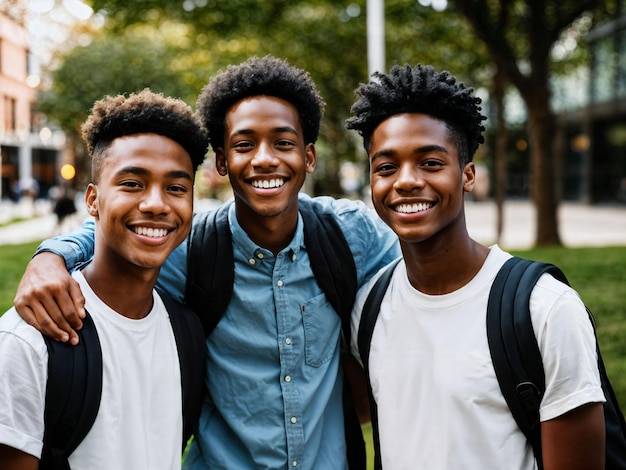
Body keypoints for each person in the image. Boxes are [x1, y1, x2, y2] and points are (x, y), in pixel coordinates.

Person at [13, 56, 400, 469]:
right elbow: (126, 228)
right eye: (244, 144)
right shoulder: (192, 250)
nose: (265, 158)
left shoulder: (351, 235)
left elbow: (430, 262)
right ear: (220, 162)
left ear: (309, 157)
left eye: (283, 143)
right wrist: (52, 255)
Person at [345, 63, 606, 469]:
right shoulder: (370, 306)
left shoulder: (545, 309)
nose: (406, 180)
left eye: (430, 163)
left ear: (467, 175)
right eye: (386, 167)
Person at [0, 89, 208, 469]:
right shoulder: (28, 340)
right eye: (132, 184)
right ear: (93, 200)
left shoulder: (187, 332)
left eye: (176, 188)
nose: (157, 203)